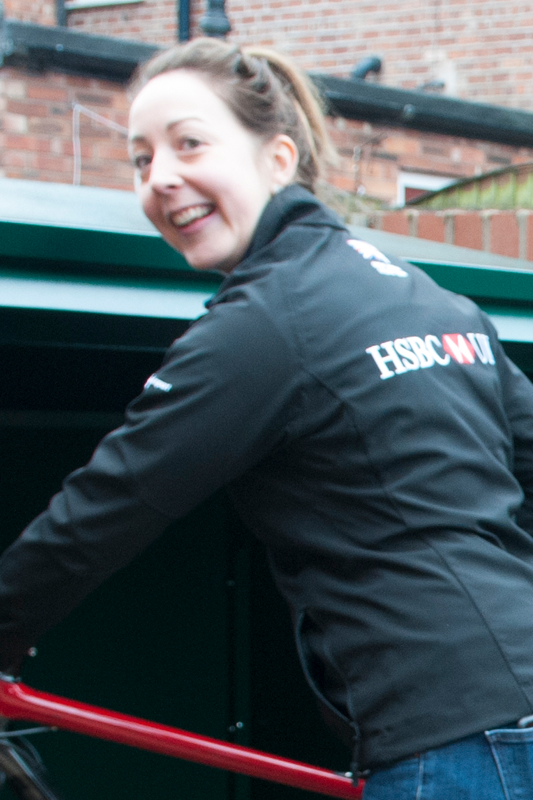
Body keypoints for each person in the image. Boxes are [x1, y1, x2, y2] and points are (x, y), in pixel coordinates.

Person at [0, 37, 533, 800]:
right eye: (141, 159)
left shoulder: (264, 321)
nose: (162, 178)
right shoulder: (426, 297)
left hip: (452, 743)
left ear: (278, 159)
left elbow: (108, 503)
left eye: (189, 143)